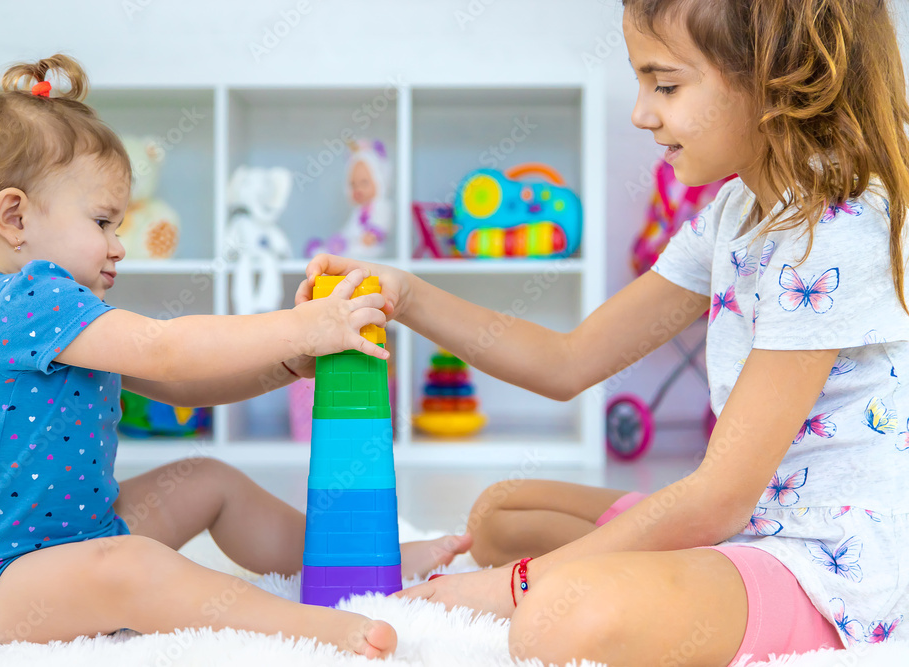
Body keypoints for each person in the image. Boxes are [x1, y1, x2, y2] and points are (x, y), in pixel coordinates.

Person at [299, 0, 909, 664]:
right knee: (500, 515)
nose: (642, 112)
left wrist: (507, 587)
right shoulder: (738, 211)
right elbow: (567, 360)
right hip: (750, 523)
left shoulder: (836, 227)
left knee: (557, 618)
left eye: (666, 84)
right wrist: (407, 293)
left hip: (825, 568)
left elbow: (718, 495)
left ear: (775, 81)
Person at [0, 54, 470, 655]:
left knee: (207, 480)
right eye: (102, 221)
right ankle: (310, 631)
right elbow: (170, 351)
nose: (119, 245)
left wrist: (286, 363)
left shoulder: (55, 314)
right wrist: (297, 327)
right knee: (129, 567)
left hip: (80, 533)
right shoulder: (21, 302)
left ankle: (354, 561)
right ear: (14, 217)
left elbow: (182, 387)